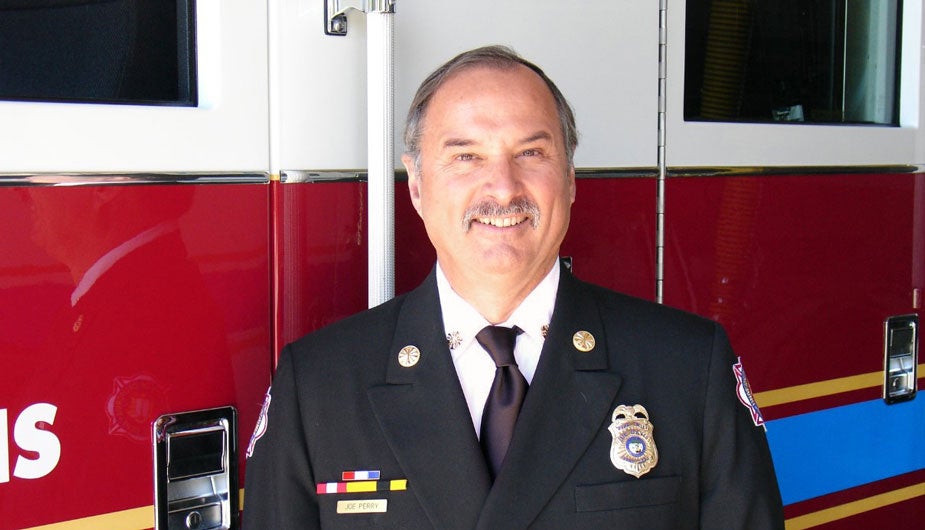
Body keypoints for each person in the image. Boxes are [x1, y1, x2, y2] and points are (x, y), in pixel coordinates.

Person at [242, 45, 784, 529]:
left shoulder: (689, 368)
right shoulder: (316, 386)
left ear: (570, 179)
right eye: (466, 156)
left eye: (531, 153)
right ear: (417, 185)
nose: (503, 188)